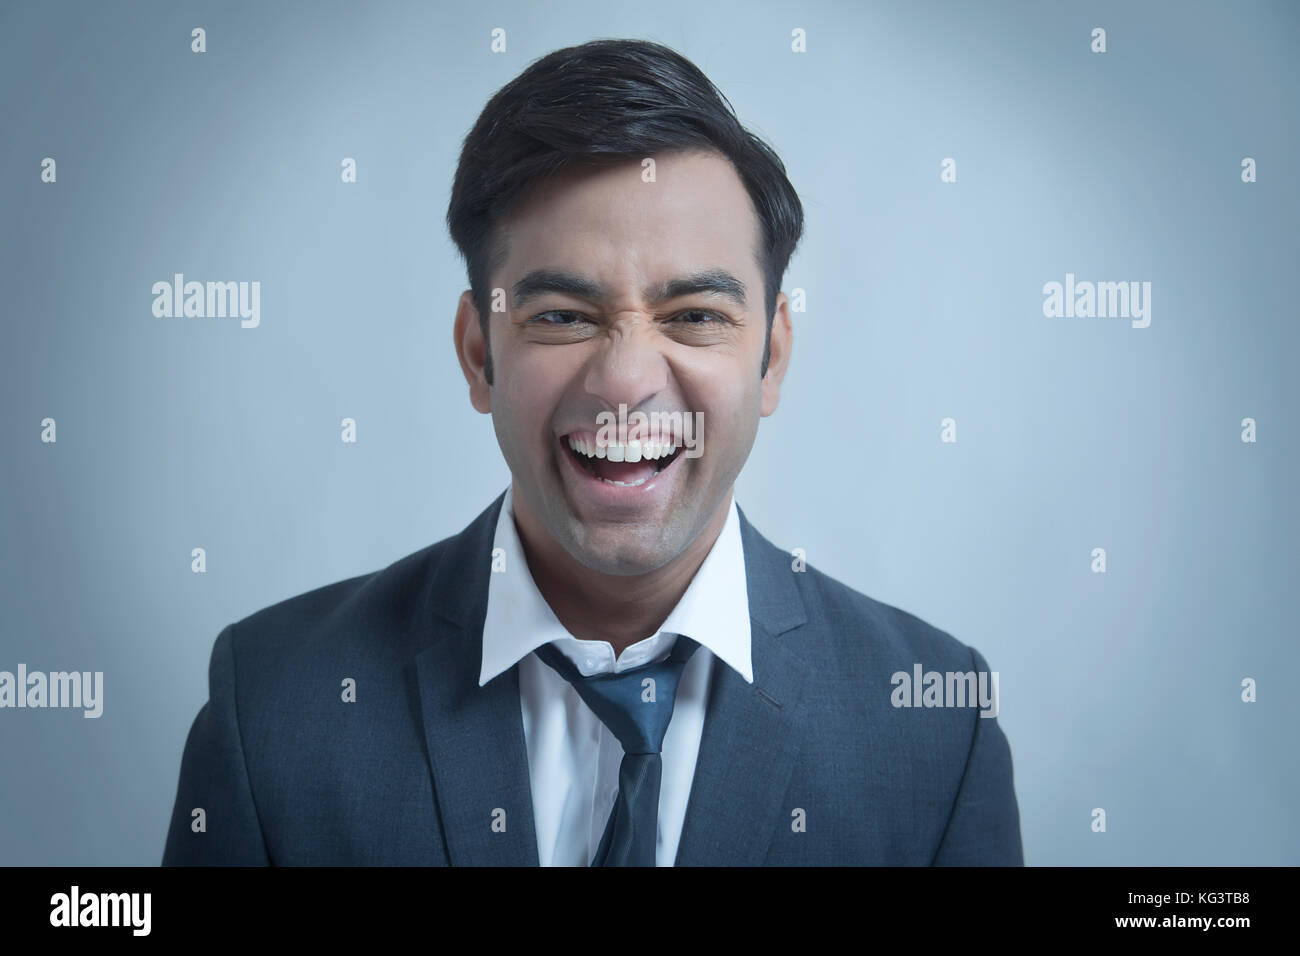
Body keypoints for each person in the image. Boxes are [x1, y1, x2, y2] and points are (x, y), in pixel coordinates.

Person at [162, 37, 1023, 866]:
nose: (625, 382)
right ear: (478, 354)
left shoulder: (935, 729)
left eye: (694, 315)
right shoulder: (274, 708)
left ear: (773, 356)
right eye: (564, 317)